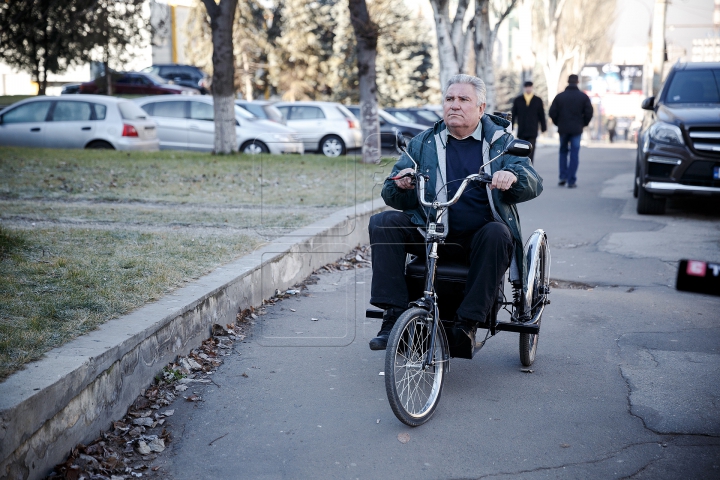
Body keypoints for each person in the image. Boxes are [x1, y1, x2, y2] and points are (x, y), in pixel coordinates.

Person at [366, 74, 544, 351]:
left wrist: (511, 176)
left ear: (481, 108)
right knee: (383, 222)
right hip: (431, 231)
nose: (454, 105)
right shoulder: (424, 143)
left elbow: (533, 181)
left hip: (479, 238)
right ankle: (393, 318)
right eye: (449, 99)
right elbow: (391, 195)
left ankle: (467, 324)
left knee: (498, 233)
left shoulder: (501, 142)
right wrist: (401, 184)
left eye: (463, 99)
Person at [548, 74, 593, 188]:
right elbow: (589, 112)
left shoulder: (560, 97)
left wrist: (558, 123)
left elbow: (552, 112)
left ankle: (562, 177)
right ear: (577, 82)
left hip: (563, 129)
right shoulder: (583, 97)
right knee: (574, 154)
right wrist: (583, 124)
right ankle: (571, 180)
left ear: (568, 82)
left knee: (563, 152)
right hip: (577, 129)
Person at [511, 81, 547, 163]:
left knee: (531, 150)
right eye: (527, 87)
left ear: (532, 87)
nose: (528, 88)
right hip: (522, 130)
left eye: (530, 87)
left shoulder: (537, 100)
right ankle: (522, 167)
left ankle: (530, 167)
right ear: (524, 88)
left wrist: (543, 127)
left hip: (532, 129)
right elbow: (514, 114)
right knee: (522, 150)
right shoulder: (518, 100)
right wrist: (511, 126)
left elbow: (541, 115)